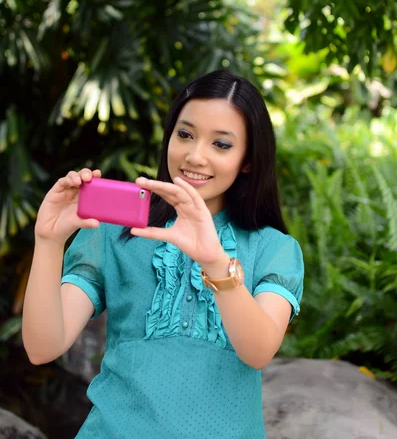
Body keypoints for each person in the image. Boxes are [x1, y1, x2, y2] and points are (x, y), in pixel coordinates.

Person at [22, 69, 304, 439]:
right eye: (184, 134)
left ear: (248, 160)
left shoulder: (274, 250)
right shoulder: (114, 233)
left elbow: (259, 351)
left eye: (221, 144)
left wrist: (215, 261)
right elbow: (43, 347)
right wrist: (48, 242)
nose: (195, 155)